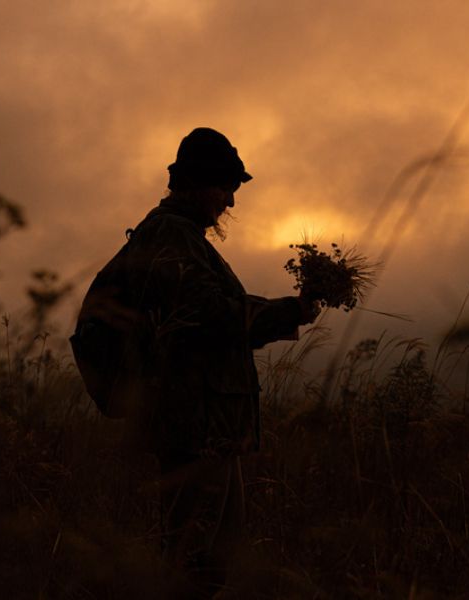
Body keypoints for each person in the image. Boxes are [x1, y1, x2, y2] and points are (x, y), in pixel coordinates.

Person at [76, 127, 319, 597]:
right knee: (194, 568)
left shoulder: (180, 236)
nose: (229, 202)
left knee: (208, 565)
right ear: (202, 183)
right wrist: (290, 311)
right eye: (227, 188)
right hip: (194, 432)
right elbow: (210, 317)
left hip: (208, 431)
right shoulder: (171, 235)